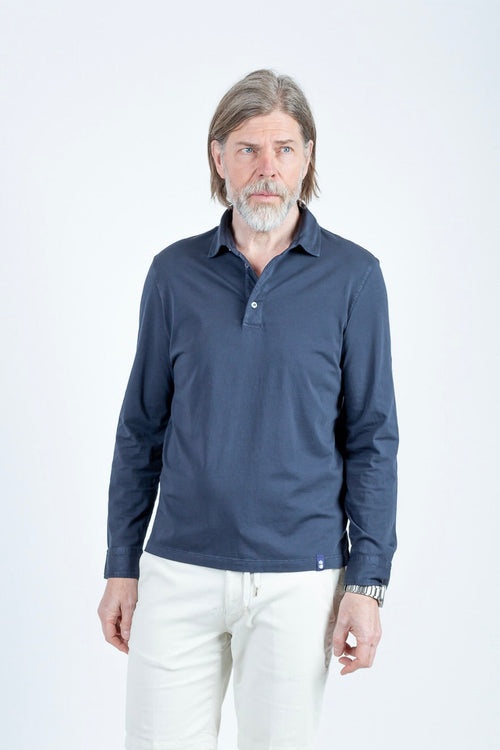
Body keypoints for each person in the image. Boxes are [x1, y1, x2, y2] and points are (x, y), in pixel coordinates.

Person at [97, 68, 398, 750]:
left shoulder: (354, 278)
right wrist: (121, 563)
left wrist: (368, 582)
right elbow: (141, 428)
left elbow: (373, 437)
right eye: (248, 149)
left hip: (301, 580)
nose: (267, 168)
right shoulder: (174, 273)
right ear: (219, 159)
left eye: (284, 149)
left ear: (307, 158)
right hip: (178, 571)